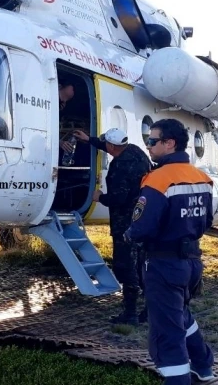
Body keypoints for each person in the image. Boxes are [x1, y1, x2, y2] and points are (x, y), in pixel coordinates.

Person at [122, 119, 215, 384]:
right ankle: (203, 367)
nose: (148, 146)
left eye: (152, 141)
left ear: (169, 143)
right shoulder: (202, 178)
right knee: (182, 316)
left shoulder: (158, 179)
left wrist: (129, 234)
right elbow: (206, 220)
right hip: (191, 262)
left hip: (164, 264)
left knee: (166, 333)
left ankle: (178, 379)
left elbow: (142, 226)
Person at [72, 127, 151, 325]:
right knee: (143, 265)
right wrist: (89, 140)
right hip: (142, 219)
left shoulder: (120, 167)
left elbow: (118, 198)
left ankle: (130, 313)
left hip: (124, 224)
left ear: (111, 145)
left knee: (126, 267)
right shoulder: (135, 151)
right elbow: (111, 147)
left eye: (105, 142)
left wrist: (100, 197)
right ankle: (150, 310)